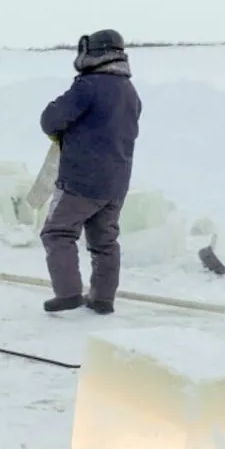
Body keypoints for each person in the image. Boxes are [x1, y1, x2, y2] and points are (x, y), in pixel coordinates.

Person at [38, 29, 142, 315]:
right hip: (116, 183)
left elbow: (51, 120)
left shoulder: (88, 86)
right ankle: (102, 299)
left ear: (92, 52)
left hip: (82, 180)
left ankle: (69, 293)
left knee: (58, 233)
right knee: (105, 242)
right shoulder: (129, 91)